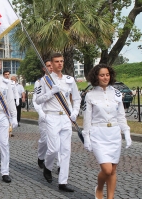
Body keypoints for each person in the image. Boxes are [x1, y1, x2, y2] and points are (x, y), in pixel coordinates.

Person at [82, 64, 132, 199]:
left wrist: (126, 132)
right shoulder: (90, 95)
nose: (105, 78)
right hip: (98, 134)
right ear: (96, 77)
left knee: (113, 170)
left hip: (114, 134)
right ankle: (99, 188)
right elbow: (87, 119)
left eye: (107, 75)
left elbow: (121, 116)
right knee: (107, 169)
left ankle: (110, 197)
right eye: (102, 75)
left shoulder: (116, 93)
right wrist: (86, 137)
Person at [35, 53, 80, 192]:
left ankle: (63, 182)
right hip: (52, 117)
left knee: (66, 150)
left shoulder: (69, 79)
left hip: (66, 117)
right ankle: (47, 168)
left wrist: (75, 112)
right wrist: (51, 93)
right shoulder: (45, 80)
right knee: (53, 149)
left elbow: (77, 98)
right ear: (52, 65)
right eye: (56, 62)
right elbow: (37, 100)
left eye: (61, 61)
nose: (60, 64)